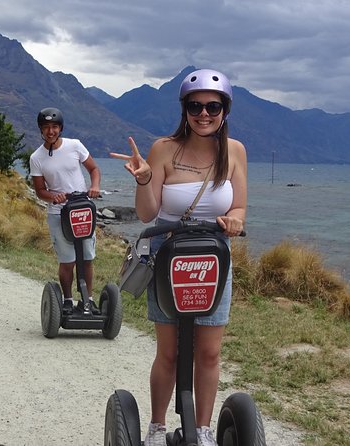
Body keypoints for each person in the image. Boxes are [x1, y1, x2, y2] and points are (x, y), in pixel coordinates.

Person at [110, 69, 247, 446]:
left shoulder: (234, 152)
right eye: (195, 106)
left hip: (213, 260)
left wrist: (233, 222)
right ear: (185, 109)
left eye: (213, 106)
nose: (204, 114)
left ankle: (201, 431)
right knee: (168, 353)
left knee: (209, 353)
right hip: (169, 256)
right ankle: (156, 428)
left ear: (225, 110)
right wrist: (142, 179)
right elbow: (146, 212)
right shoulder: (163, 149)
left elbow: (239, 208)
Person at [29, 107, 102, 314]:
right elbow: (40, 190)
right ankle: (68, 300)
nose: (50, 131)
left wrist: (94, 186)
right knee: (68, 261)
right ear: (41, 130)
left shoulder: (74, 146)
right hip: (58, 213)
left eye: (54, 127)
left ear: (60, 128)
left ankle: (88, 300)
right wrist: (54, 196)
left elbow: (94, 169)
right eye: (46, 128)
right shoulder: (37, 157)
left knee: (87, 258)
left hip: (82, 209)